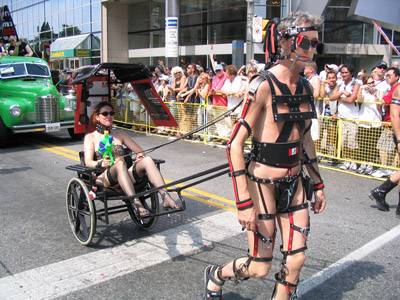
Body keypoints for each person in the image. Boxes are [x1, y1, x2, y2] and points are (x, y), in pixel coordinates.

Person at [204, 11, 327, 299]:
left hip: (295, 184)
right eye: (305, 43)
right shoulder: (261, 85)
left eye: (315, 44)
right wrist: (243, 203)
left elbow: (305, 137)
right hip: (262, 185)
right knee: (259, 267)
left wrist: (318, 184)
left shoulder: (307, 87)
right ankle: (215, 274)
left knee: (296, 260)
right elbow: (234, 144)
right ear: (285, 43)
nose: (312, 50)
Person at [83, 102, 180, 217]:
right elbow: (88, 162)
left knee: (148, 159)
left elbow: (140, 151)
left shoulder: (120, 134)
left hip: (125, 174)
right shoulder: (91, 137)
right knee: (119, 162)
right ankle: (136, 203)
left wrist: (140, 155)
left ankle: (166, 197)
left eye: (112, 113)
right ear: (97, 117)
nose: (109, 116)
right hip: (105, 177)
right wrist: (100, 163)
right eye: (105, 113)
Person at [369, 67, 400, 217]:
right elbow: (394, 116)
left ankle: (380, 191)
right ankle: (381, 191)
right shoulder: (398, 89)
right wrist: (399, 139)